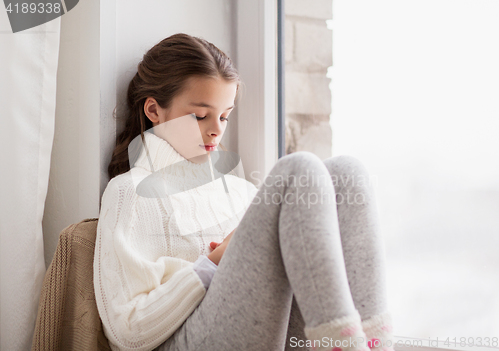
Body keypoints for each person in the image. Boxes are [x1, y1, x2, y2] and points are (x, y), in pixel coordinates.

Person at [94, 33, 395, 351]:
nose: (216, 129)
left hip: (262, 334)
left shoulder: (240, 192)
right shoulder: (131, 193)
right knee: (299, 169)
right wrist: (211, 263)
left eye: (224, 116)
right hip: (181, 343)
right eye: (200, 115)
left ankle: (374, 344)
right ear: (154, 111)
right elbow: (127, 331)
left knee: (347, 174)